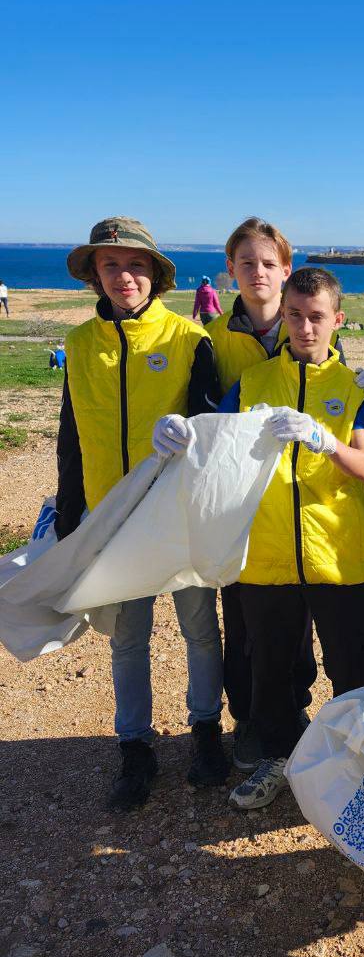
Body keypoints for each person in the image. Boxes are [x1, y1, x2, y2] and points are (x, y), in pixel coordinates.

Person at [56, 217, 226, 810]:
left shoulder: (187, 338)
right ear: (95, 276)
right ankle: (135, 746)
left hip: (176, 518)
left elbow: (210, 432)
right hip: (112, 517)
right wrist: (70, 514)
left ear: (154, 273)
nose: (124, 276)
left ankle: (207, 730)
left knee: (200, 630)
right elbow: (70, 436)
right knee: (127, 638)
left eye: (135, 265)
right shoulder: (79, 346)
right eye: (111, 266)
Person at [205, 218, 364, 774]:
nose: (304, 327)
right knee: (271, 670)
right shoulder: (253, 384)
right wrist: (183, 433)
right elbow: (214, 441)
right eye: (296, 316)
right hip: (268, 555)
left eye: (317, 317)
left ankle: (354, 764)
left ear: (337, 321)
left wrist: (326, 441)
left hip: (337, 556)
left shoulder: (353, 390)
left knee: (350, 668)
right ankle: (276, 764)